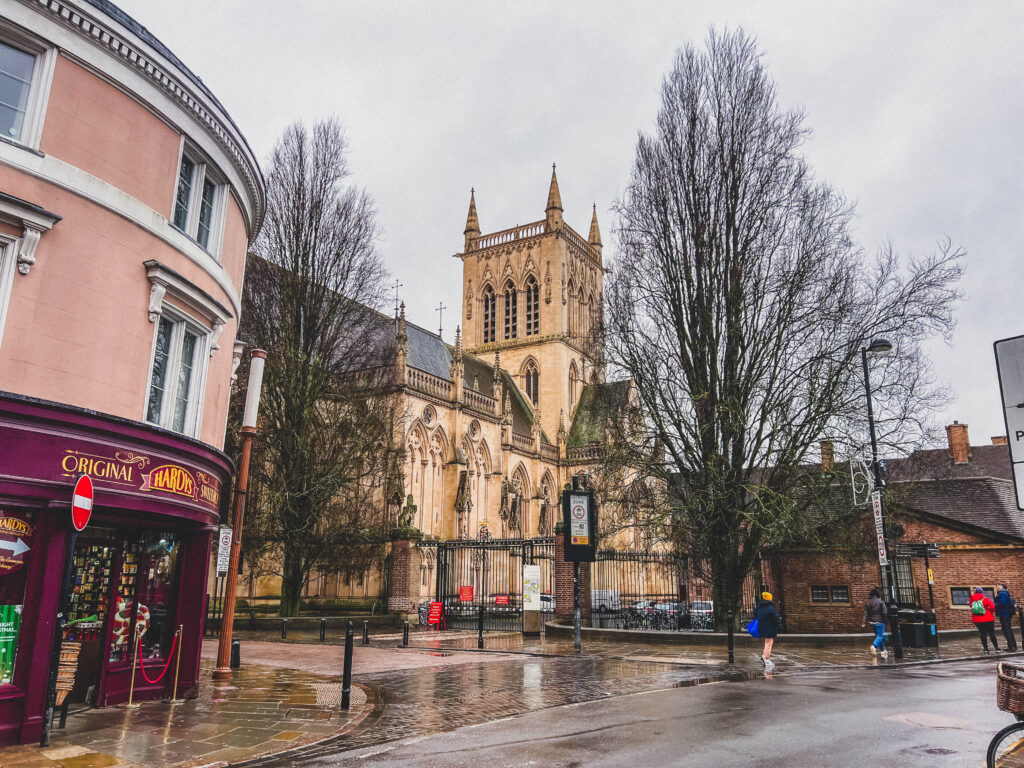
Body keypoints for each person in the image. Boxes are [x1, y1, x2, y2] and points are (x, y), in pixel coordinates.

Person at [755, 591, 782, 669]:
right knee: (770, 641)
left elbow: (755, 614)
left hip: (762, 627)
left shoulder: (759, 607)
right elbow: (776, 619)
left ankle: (764, 656)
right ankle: (766, 658)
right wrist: (780, 627)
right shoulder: (771, 608)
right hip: (770, 627)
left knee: (767, 641)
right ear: (770, 599)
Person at [861, 586, 889, 659]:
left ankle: (883, 651)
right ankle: (874, 646)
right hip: (880, 622)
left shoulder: (868, 602)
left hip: (872, 623)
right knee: (880, 636)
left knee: (879, 637)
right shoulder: (881, 601)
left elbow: (865, 614)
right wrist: (886, 621)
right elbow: (885, 612)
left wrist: (863, 622)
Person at [971, 586, 1000, 653]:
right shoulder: (985, 599)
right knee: (992, 633)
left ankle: (986, 649)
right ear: (981, 592)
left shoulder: (972, 599)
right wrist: (990, 612)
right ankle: (997, 648)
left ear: (975, 592)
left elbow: (971, 607)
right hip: (988, 618)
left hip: (977, 619)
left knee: (982, 634)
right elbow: (992, 606)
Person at [995, 583, 1018, 652]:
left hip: (1004, 614)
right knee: (1008, 629)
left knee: (1006, 630)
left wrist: (994, 605)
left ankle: (1011, 647)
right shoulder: (1006, 593)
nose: (997, 587)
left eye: (998, 585)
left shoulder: (1002, 593)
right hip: (1007, 613)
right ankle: (1013, 645)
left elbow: (1003, 603)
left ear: (1002, 587)